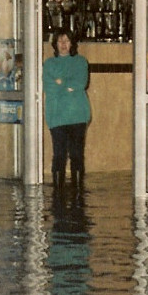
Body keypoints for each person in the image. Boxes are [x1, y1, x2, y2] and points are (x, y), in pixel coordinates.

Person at [43, 27, 91, 190]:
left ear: (72, 44)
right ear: (55, 44)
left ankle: (78, 193)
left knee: (77, 155)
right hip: (56, 115)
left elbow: (80, 83)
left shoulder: (81, 62)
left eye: (66, 41)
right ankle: (58, 194)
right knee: (59, 155)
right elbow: (49, 86)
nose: (63, 44)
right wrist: (67, 85)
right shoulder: (49, 64)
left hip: (78, 114)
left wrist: (60, 82)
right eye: (60, 41)